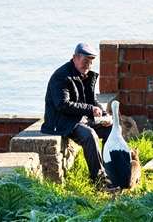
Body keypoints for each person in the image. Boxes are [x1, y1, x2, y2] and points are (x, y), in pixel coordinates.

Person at [41, 42, 113, 187]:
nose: (88, 66)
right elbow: (62, 105)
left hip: (79, 118)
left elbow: (92, 100)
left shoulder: (84, 75)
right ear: (75, 58)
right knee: (89, 135)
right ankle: (98, 179)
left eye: (91, 63)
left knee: (109, 129)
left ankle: (109, 171)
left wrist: (105, 115)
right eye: (85, 62)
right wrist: (89, 109)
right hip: (61, 122)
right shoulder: (61, 76)